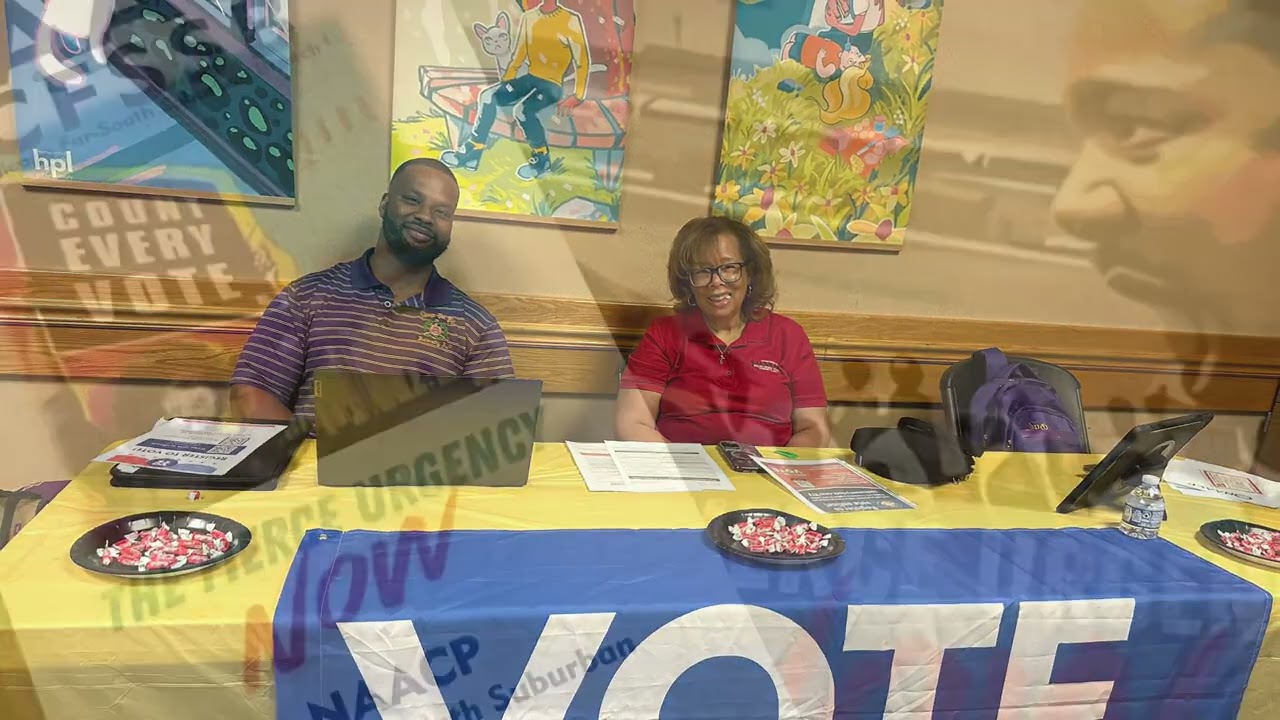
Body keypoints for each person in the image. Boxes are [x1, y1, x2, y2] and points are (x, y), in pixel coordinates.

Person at [230, 158, 514, 422]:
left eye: (442, 212)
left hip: (426, 473)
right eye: (413, 200)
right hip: (314, 469)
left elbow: (495, 424)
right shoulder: (307, 297)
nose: (426, 217)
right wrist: (305, 462)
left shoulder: (476, 326)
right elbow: (252, 392)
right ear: (385, 204)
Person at [615, 217, 833, 447]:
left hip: (768, 473)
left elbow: (813, 429)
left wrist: (779, 469)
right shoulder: (664, 334)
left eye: (729, 268)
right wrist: (686, 468)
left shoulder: (788, 335)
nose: (716, 282)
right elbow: (632, 423)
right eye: (702, 271)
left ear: (750, 273)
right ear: (688, 283)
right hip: (685, 471)